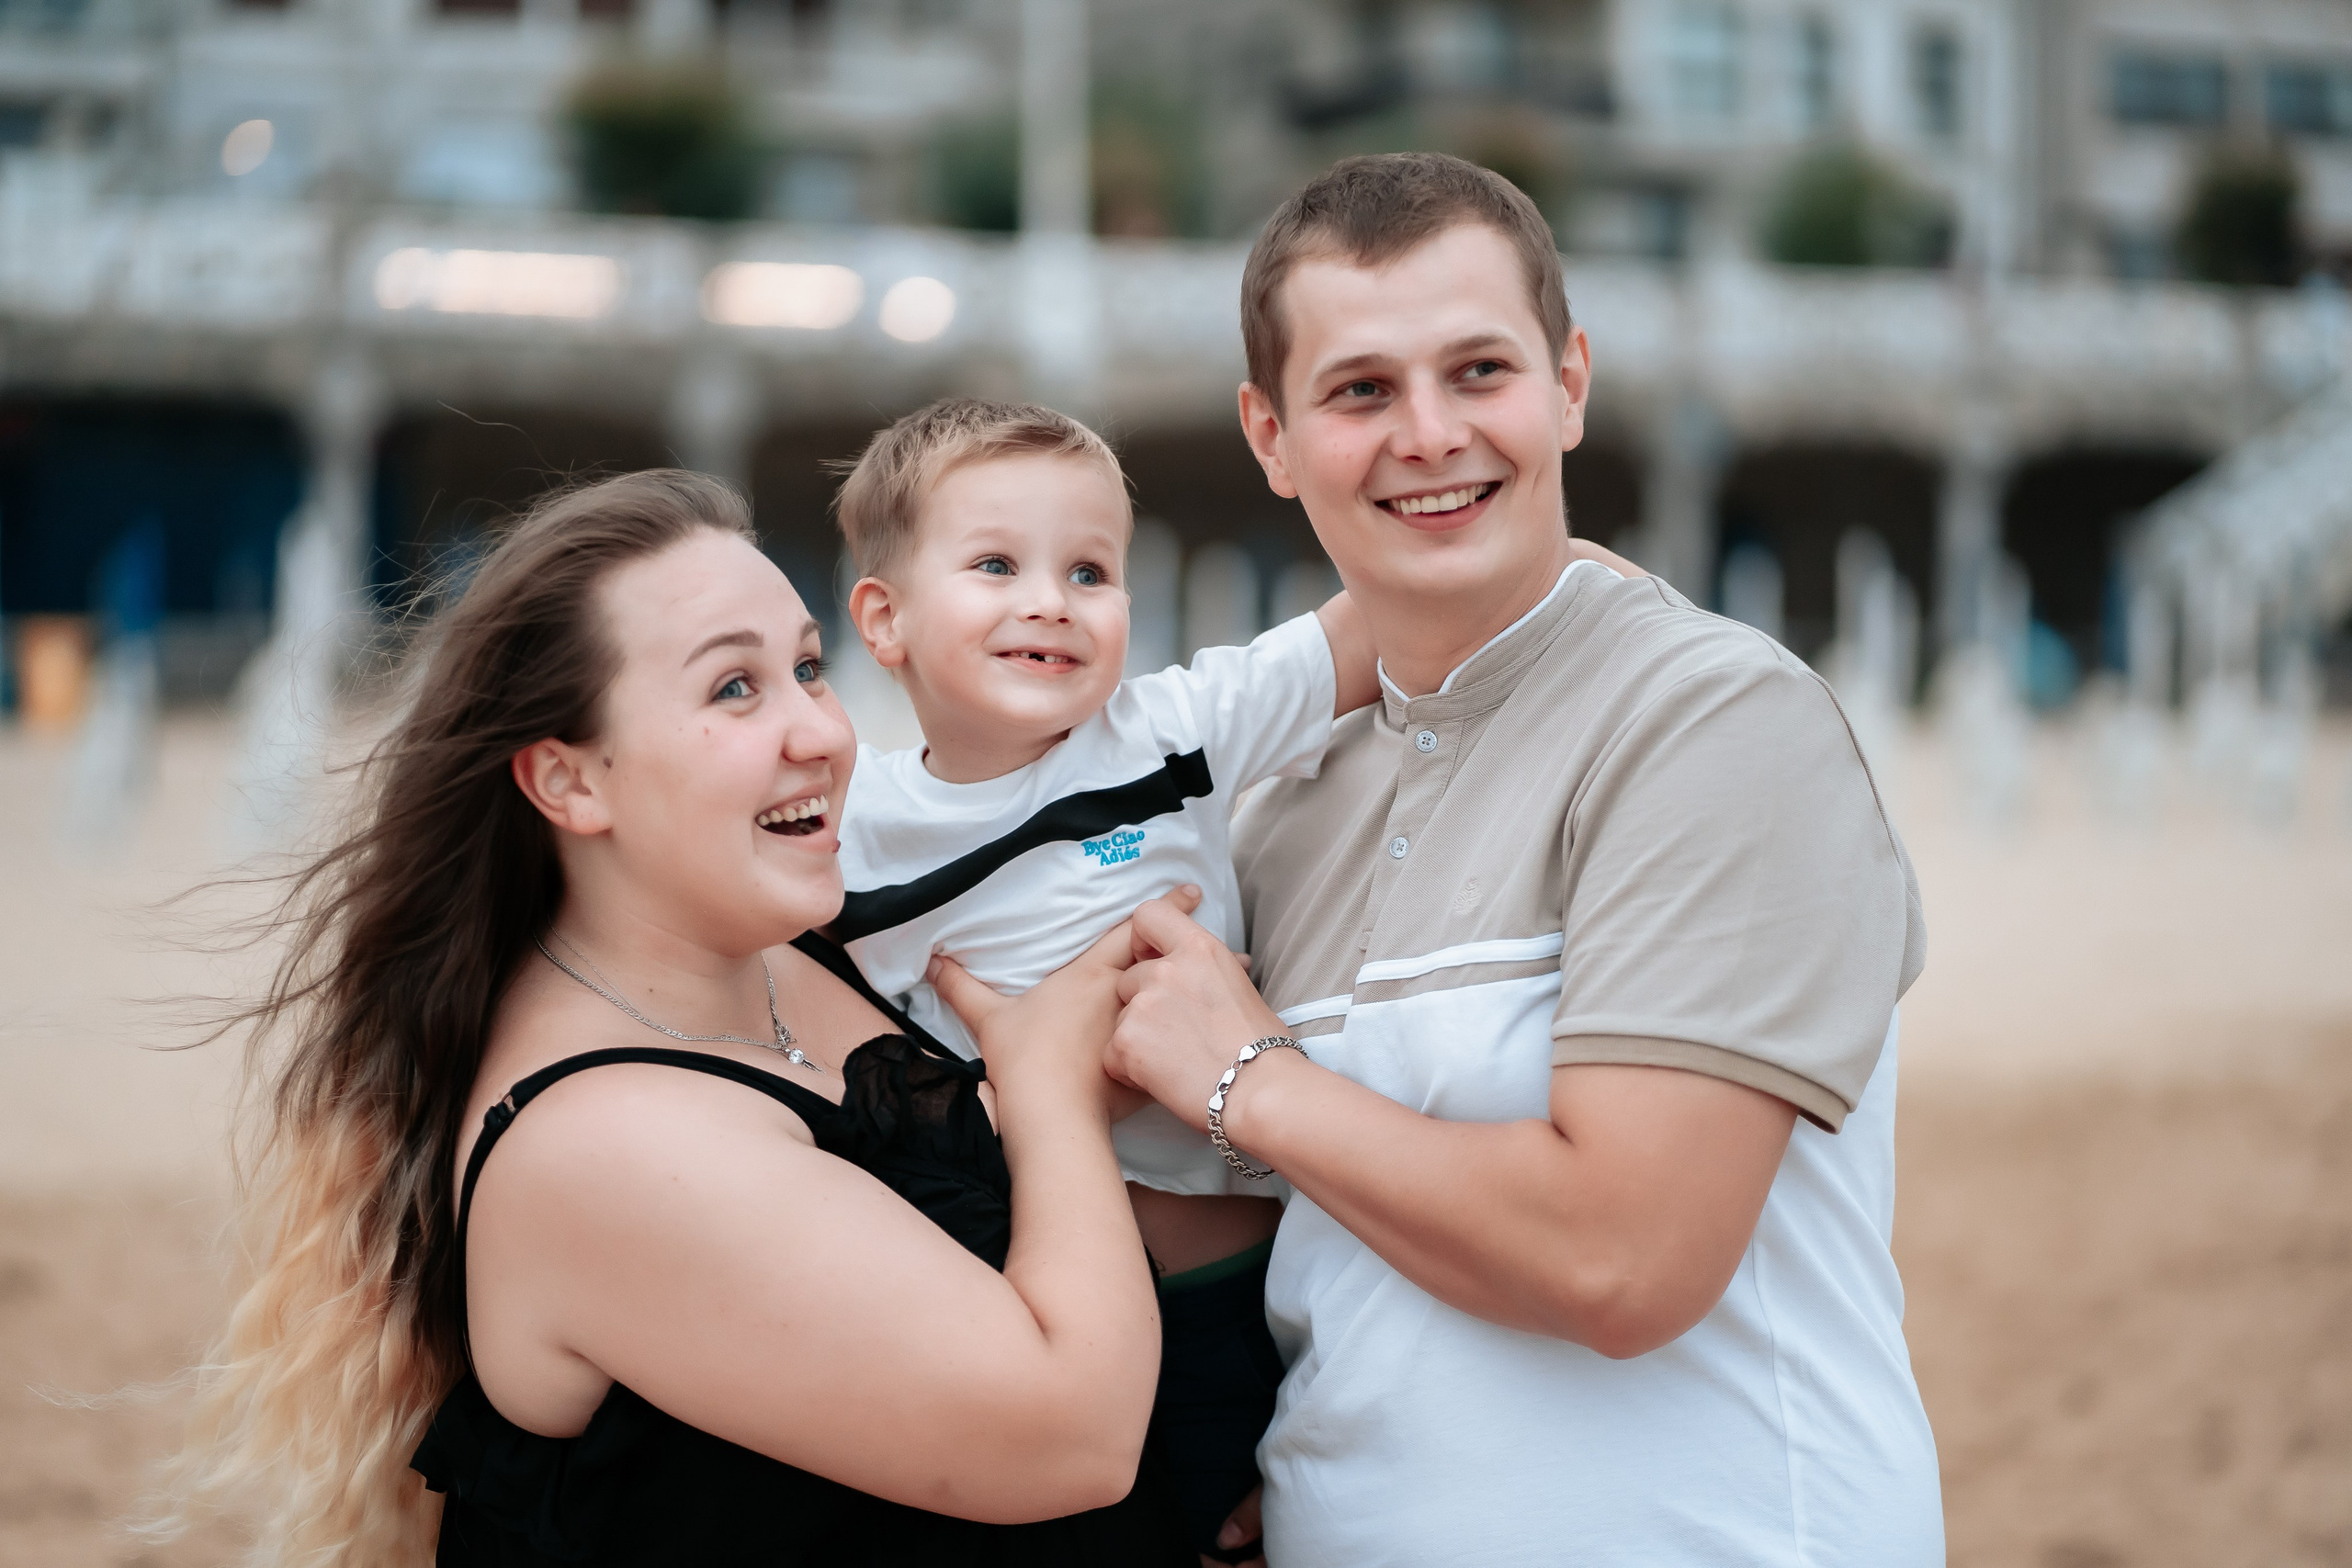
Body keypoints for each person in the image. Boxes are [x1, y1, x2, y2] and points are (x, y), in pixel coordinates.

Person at [1098, 152, 1944, 1566]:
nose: (1429, 433)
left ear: (1568, 383)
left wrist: (1251, 1078)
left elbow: (1624, 1258)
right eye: (1360, 390)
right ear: (1271, 433)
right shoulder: (1285, 803)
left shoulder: (1716, 719)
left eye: (1478, 370)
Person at [153, 470, 1198, 1566]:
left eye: (805, 668)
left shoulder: (774, 944)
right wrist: (1049, 1091)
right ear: (568, 782)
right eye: (733, 691)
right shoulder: (599, 1147)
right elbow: (1070, 1436)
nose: (821, 734)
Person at [827, 396, 1377, 1561]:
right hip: (1006, 1300)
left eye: (1089, 571)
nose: (1049, 602)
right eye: (994, 564)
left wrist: (1577, 572)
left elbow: (1370, 632)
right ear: (883, 619)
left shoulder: (1169, 735)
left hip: (1228, 1299)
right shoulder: (845, 829)